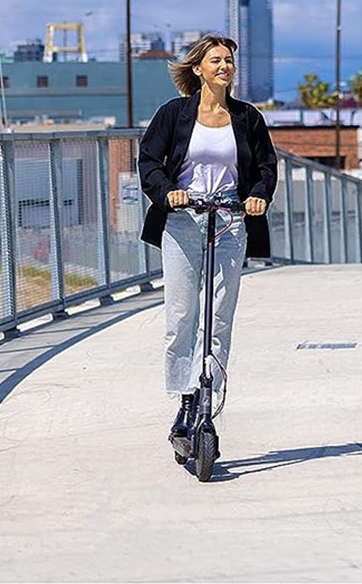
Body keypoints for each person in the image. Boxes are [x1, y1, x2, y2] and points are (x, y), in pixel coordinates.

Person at [138, 34, 277, 438]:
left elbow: (267, 167)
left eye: (229, 61)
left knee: (219, 316)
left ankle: (208, 394)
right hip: (183, 219)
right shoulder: (174, 114)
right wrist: (168, 193)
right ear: (198, 68)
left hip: (231, 219)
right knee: (181, 315)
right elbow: (149, 160)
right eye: (215, 60)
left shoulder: (247, 117)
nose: (224, 67)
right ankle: (184, 398)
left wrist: (257, 197)